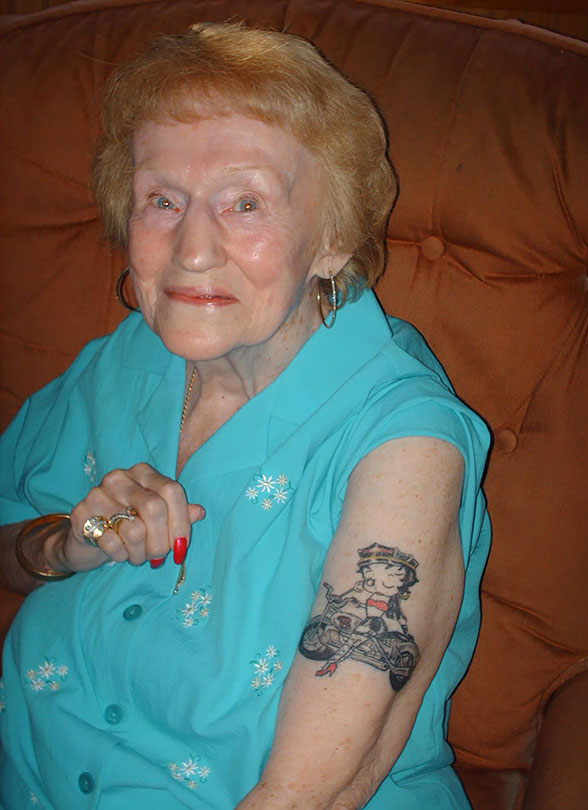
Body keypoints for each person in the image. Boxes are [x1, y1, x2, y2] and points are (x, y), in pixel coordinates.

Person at [0, 22, 490, 810]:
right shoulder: (118, 360)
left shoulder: (403, 445)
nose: (192, 249)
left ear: (332, 239)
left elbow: (304, 795)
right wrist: (76, 538)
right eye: (162, 199)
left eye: (245, 202)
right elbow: (13, 548)